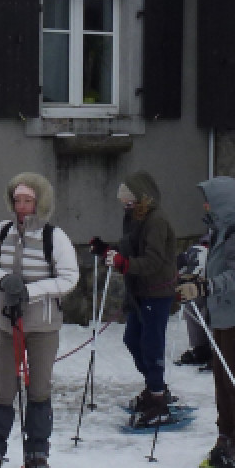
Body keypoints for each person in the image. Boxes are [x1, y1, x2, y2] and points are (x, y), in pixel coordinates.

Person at [0, 173, 78, 468]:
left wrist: (31, 291)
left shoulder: (54, 237)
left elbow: (69, 278)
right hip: (7, 326)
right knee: (4, 389)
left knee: (39, 389)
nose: (22, 206)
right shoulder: (1, 232)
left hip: (42, 326)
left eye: (28, 200)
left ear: (40, 202)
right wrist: (2, 280)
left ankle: (37, 456)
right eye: (17, 200)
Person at [176, 176, 235, 468]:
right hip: (223, 316)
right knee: (221, 377)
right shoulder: (221, 231)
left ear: (222, 203)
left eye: (209, 200)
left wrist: (207, 287)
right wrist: (197, 281)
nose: (205, 205)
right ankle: (226, 436)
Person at [94, 170, 179, 427]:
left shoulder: (157, 221)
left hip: (157, 290)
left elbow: (153, 260)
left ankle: (157, 398)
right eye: (124, 204)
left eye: (130, 202)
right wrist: (107, 250)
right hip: (139, 291)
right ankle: (155, 387)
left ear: (143, 198)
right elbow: (130, 248)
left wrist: (125, 264)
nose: (127, 207)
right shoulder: (134, 219)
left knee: (151, 344)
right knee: (133, 340)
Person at [175, 236, 212, 368]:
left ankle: (223, 352)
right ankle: (201, 348)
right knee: (192, 306)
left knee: (209, 312)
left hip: (221, 287)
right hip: (202, 284)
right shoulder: (196, 250)